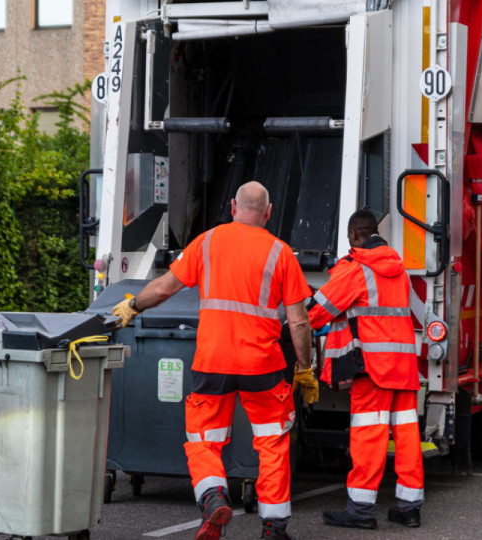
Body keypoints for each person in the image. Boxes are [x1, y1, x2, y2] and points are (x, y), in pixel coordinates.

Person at [113, 181, 319, 540]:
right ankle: (274, 528)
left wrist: (132, 305)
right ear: (268, 213)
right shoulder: (280, 252)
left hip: (212, 362)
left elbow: (163, 288)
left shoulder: (207, 242)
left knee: (204, 440)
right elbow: (299, 321)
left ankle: (212, 499)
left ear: (233, 206)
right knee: (272, 442)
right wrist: (304, 369)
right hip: (263, 366)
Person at [307, 209, 424, 529]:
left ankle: (360, 510)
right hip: (403, 366)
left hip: (373, 368)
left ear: (355, 236)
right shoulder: (397, 269)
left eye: (349, 240)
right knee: (407, 436)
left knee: (368, 437)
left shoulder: (356, 269)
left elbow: (317, 313)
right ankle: (409, 507)